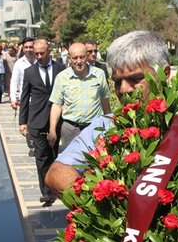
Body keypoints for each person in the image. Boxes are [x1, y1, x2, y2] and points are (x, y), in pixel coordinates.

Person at [45, 31, 170, 195]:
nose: (124, 89)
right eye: (118, 82)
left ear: (164, 75)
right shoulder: (104, 126)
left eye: (135, 79)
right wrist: (104, 208)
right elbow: (56, 174)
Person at [19, 39, 66, 206]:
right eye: (36, 53)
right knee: (41, 157)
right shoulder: (30, 72)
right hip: (36, 119)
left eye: (42, 53)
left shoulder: (61, 68)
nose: (38, 56)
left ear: (49, 51)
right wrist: (22, 121)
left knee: (54, 154)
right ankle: (46, 192)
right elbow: (24, 97)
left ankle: (55, 186)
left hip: (57, 118)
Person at [47, 42, 110, 151]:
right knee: (72, 162)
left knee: (95, 161)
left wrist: (109, 124)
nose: (79, 61)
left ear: (87, 56)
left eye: (82, 57)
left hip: (94, 127)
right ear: (69, 58)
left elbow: (105, 101)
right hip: (71, 129)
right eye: (75, 58)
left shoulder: (99, 74)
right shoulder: (62, 77)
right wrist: (52, 129)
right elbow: (56, 105)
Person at [10, 37, 37, 155]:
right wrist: (13, 99)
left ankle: (39, 142)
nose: (29, 50)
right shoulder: (19, 64)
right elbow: (14, 82)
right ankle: (32, 145)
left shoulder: (40, 61)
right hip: (25, 99)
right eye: (26, 47)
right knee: (28, 123)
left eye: (31, 47)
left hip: (40, 98)